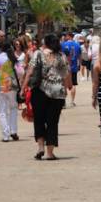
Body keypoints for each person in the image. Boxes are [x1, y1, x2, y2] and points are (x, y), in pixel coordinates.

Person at [24, 33, 72, 161]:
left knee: (39, 120)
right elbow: (66, 74)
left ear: (46, 43)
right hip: (57, 93)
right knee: (52, 122)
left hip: (39, 91)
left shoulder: (38, 54)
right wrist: (68, 86)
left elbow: (30, 72)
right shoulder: (61, 56)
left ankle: (40, 147)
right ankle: (50, 153)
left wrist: (23, 87)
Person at [0, 40, 20, 142]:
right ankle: (13, 131)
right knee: (13, 108)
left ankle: (6, 135)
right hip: (11, 86)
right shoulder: (13, 58)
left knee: (2, 111)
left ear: (0, 49)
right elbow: (21, 72)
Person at [61, 31, 81, 106]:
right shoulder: (77, 45)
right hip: (74, 67)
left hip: (65, 67)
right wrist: (79, 65)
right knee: (73, 84)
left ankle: (64, 102)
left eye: (66, 36)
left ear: (68, 36)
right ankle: (72, 101)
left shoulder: (63, 44)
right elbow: (79, 56)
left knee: (64, 85)